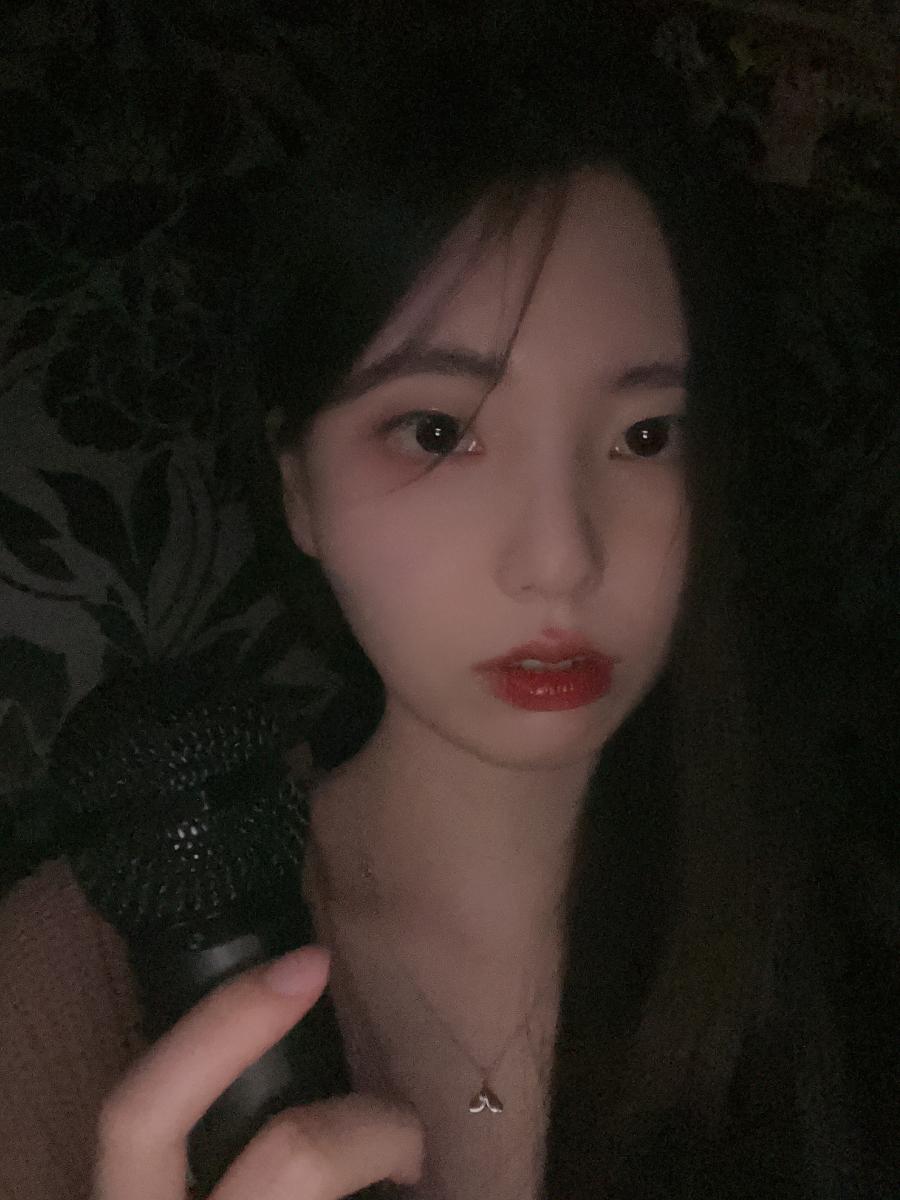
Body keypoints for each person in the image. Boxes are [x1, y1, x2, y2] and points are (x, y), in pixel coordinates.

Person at [0, 10, 889, 1200]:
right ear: (296, 486)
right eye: (436, 431)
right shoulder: (71, 980)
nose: (559, 560)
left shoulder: (831, 928)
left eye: (645, 436)